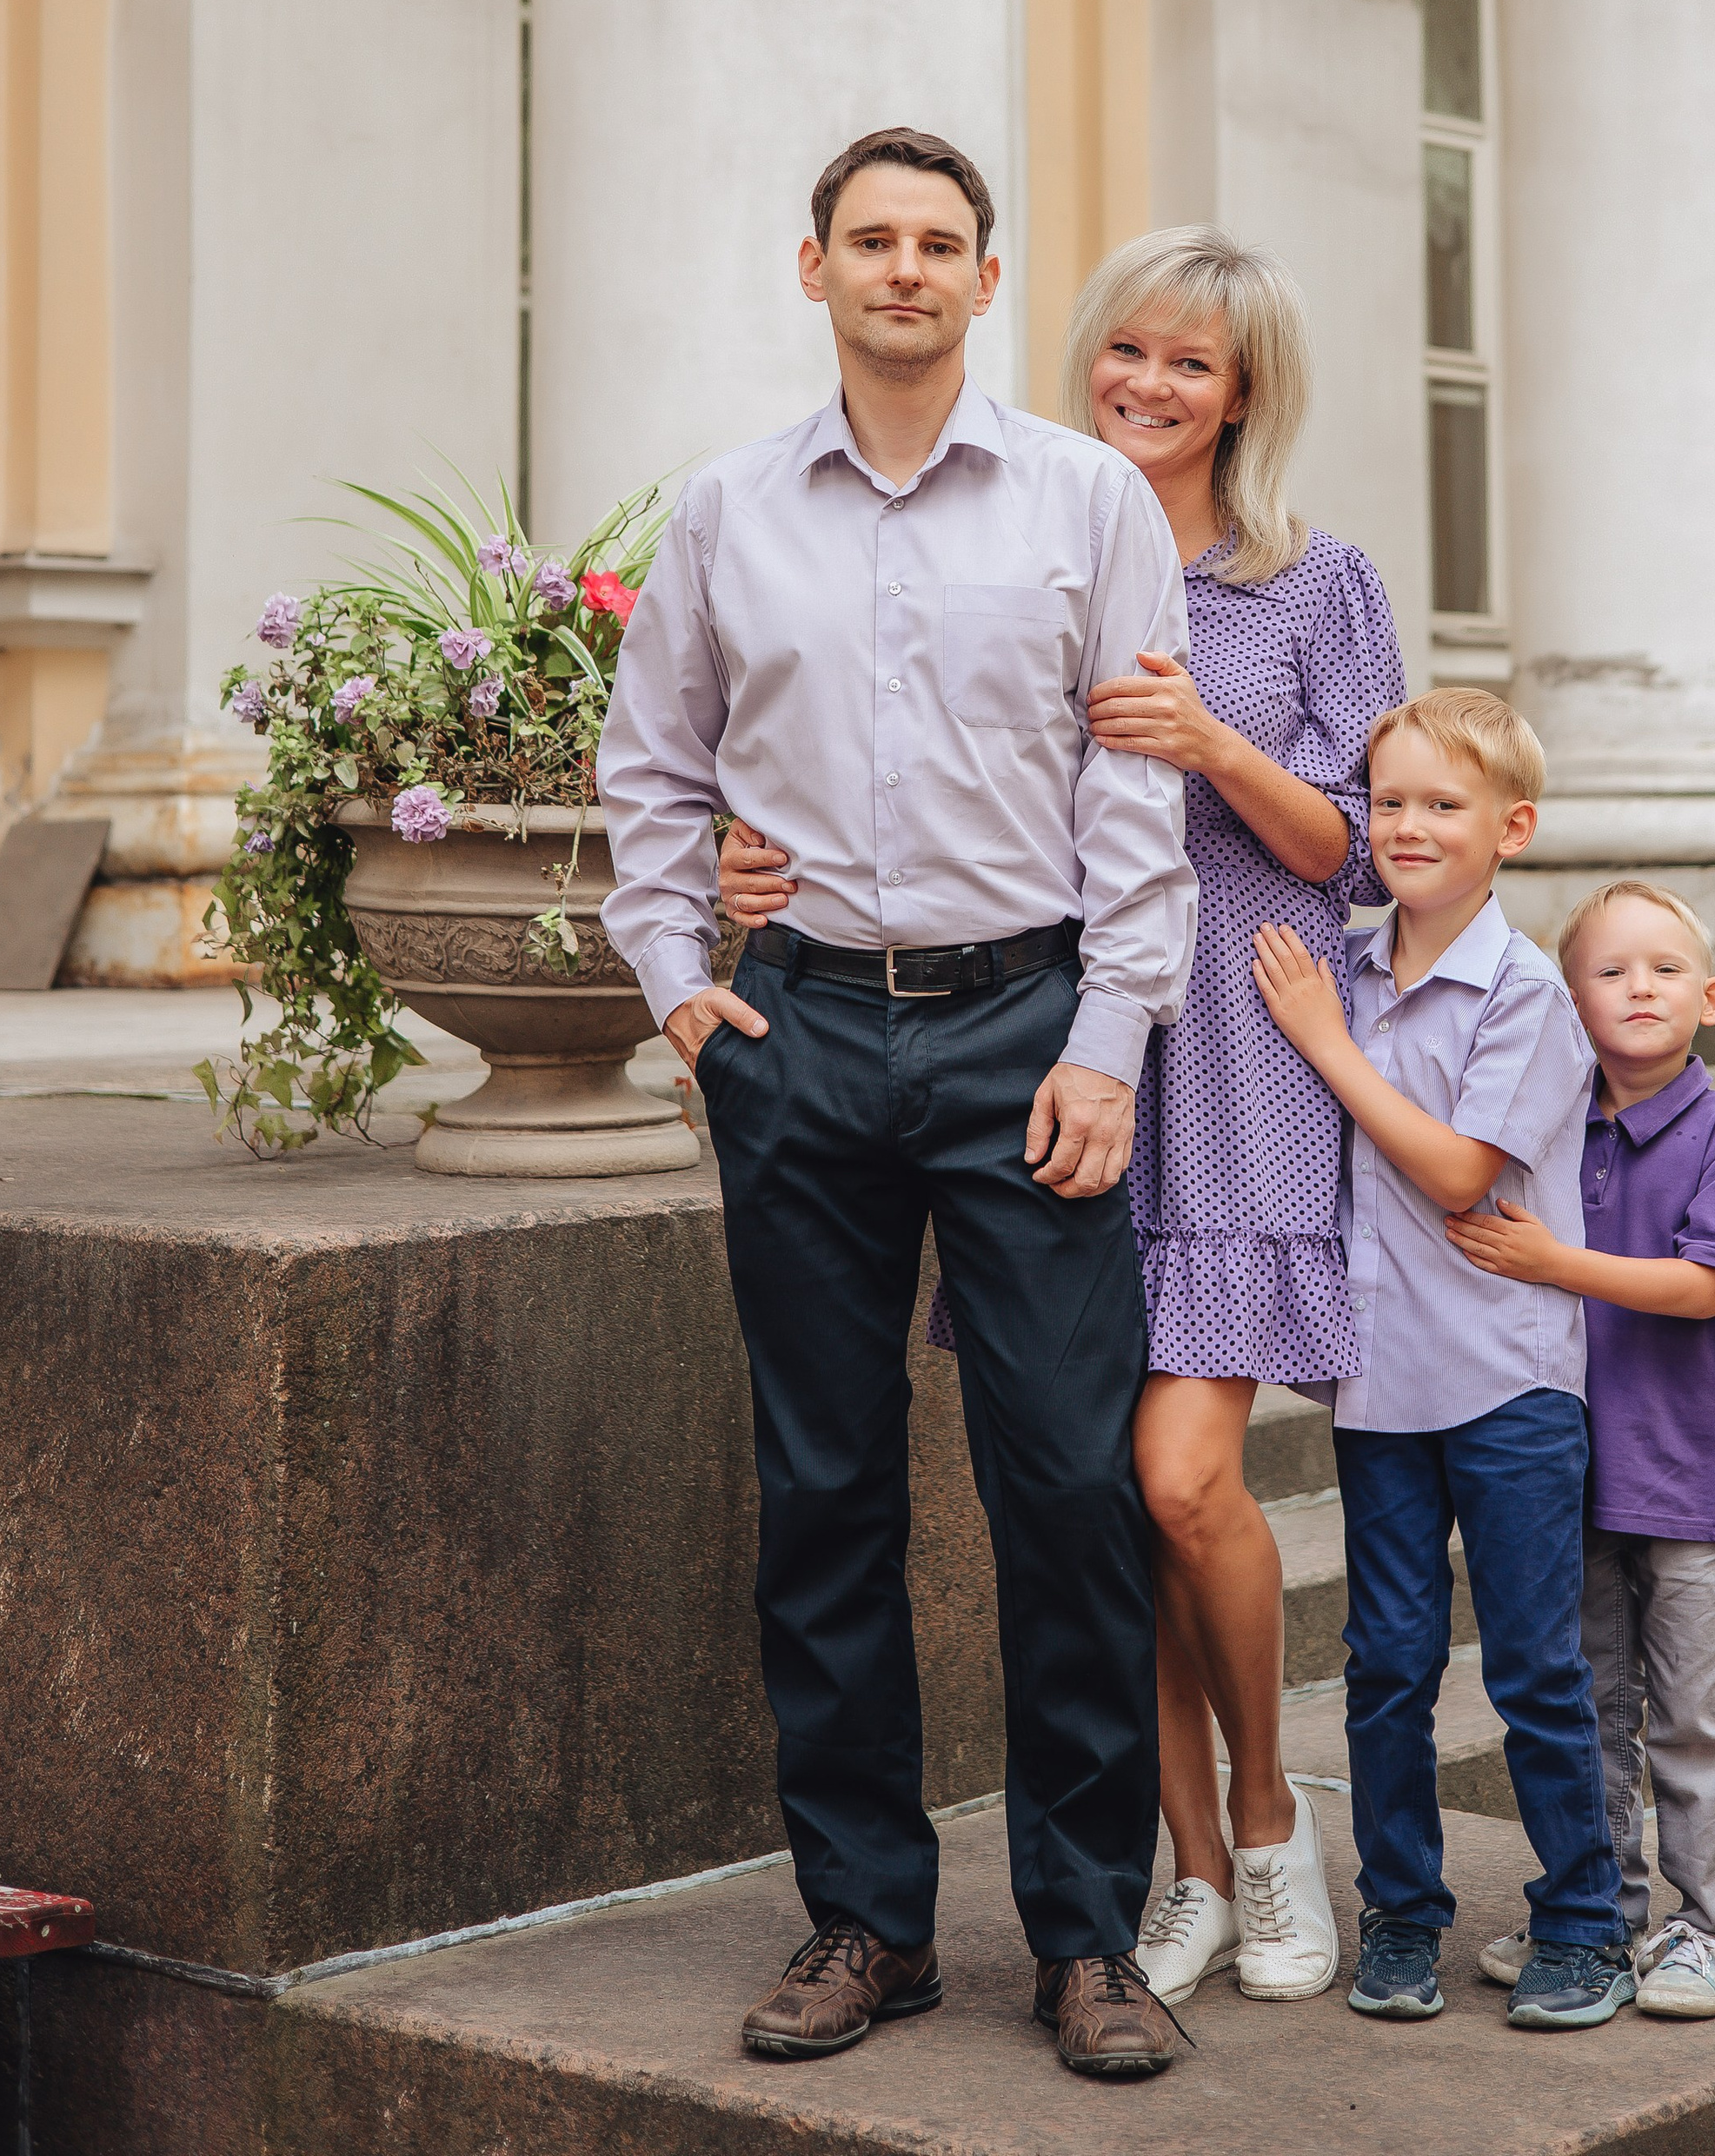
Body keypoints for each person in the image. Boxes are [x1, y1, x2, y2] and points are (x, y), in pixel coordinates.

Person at [725, 225, 1406, 2012]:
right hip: (1036, 1033)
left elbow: (1368, 846)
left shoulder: (1310, 585)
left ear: (1241, 391)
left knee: (1180, 1483)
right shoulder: (1021, 525)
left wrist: (1212, 746)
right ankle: (1168, 1874)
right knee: (1088, 1481)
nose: (1148, 385)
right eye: (1128, 353)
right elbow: (888, 745)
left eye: (1190, 364)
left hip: (1234, 1048)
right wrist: (750, 851)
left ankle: (1265, 1828)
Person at [597, 125, 1200, 2084]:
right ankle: (865, 1917)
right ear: (815, 271)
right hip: (799, 1045)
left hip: (1023, 1027)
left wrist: (1109, 1040)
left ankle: (1090, 1939)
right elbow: (652, 774)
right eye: (873, 240)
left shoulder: (1086, 497)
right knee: (827, 1492)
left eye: (941, 242)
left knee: (1068, 1494)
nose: (906, 270)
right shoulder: (726, 512)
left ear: (984, 280)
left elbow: (1133, 792)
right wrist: (684, 989)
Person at [1251, 687, 1632, 2033]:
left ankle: (1585, 1920)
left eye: (1443, 804)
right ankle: (1402, 1917)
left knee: (1533, 1668)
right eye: (1391, 800)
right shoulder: (1339, 964)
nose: (1407, 826)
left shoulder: (1525, 995)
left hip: (1510, 1379)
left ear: (1511, 829)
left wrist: (1326, 1048)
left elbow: (1460, 1170)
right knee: (1387, 1663)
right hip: (1379, 1381)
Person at [1457, 880, 1715, 2020]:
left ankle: (1710, 1925)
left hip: (1683, 1473)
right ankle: (1598, 1908)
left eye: (1666, 969)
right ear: (1566, 1002)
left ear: (1712, 998)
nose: (1641, 986)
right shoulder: (1546, 1130)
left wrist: (1554, 1264)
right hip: (1563, 1471)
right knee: (1587, 1703)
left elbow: (1701, 1287)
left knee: (1693, 1709)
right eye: (1610, 970)